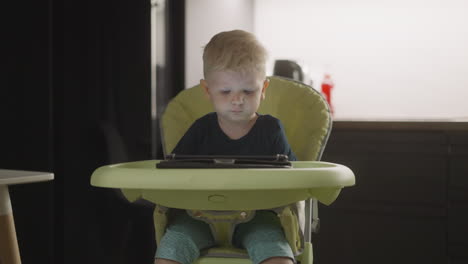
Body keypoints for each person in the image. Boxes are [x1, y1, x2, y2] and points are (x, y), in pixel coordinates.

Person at [154, 29, 297, 264]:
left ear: (264, 90)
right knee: (170, 251)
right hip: (198, 218)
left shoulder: (271, 130)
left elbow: (297, 179)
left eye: (248, 91)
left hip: (257, 219)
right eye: (226, 91)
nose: (237, 99)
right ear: (208, 91)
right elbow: (171, 174)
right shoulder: (200, 130)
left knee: (278, 255)